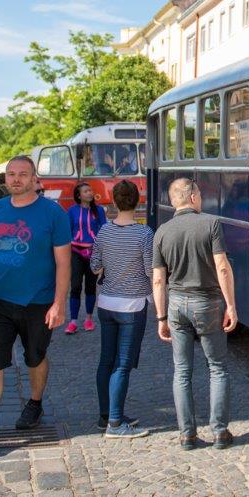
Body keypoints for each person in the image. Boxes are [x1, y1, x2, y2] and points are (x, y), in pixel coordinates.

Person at [0, 156, 71, 454]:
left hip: (38, 301)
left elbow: (64, 262)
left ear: (35, 179)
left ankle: (34, 402)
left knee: (35, 357)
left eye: (23, 174)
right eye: (11, 174)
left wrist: (59, 303)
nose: (15, 179)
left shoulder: (53, 213)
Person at [153, 177, 237, 450]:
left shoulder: (162, 232)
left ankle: (187, 435)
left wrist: (161, 317)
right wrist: (231, 305)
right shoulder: (211, 224)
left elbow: (158, 279)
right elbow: (222, 266)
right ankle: (220, 432)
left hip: (177, 305)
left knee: (182, 372)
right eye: (199, 194)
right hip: (207, 303)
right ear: (192, 197)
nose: (201, 199)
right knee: (217, 368)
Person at [90, 180, 154, 438]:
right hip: (132, 305)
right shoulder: (144, 234)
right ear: (137, 201)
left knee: (106, 360)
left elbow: (95, 266)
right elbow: (150, 270)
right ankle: (116, 423)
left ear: (114, 202)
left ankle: (106, 415)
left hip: (106, 303)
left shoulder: (104, 231)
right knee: (123, 365)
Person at [66, 182, 105, 335]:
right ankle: (73, 321)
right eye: (86, 191)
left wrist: (101, 251)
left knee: (90, 286)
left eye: (90, 190)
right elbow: (67, 231)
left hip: (93, 252)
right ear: (79, 195)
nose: (90, 193)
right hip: (76, 251)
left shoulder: (99, 210)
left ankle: (88, 319)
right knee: (75, 286)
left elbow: (103, 230)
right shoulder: (71, 210)